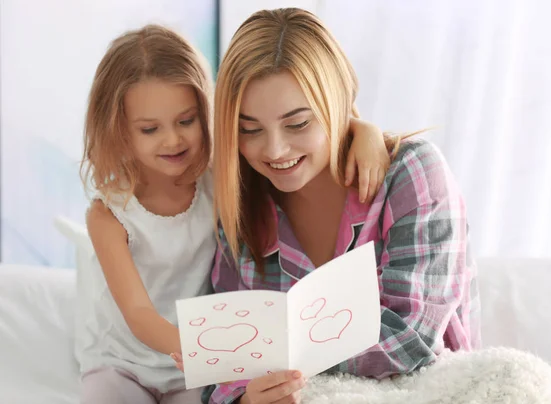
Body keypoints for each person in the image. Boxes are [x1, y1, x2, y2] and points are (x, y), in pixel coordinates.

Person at [77, 24, 390, 404]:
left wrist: (364, 130)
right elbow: (139, 311)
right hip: (124, 361)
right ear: (120, 130)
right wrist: (200, 348)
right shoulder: (109, 214)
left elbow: (310, 120)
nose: (173, 140)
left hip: (197, 367)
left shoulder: (219, 178)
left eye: (186, 121)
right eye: (149, 129)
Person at [206, 8, 480, 404]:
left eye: (298, 124)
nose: (274, 150)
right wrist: (248, 398)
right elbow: (221, 373)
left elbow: (412, 337)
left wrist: (278, 362)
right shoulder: (240, 207)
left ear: (339, 105)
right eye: (249, 129)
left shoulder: (412, 173)